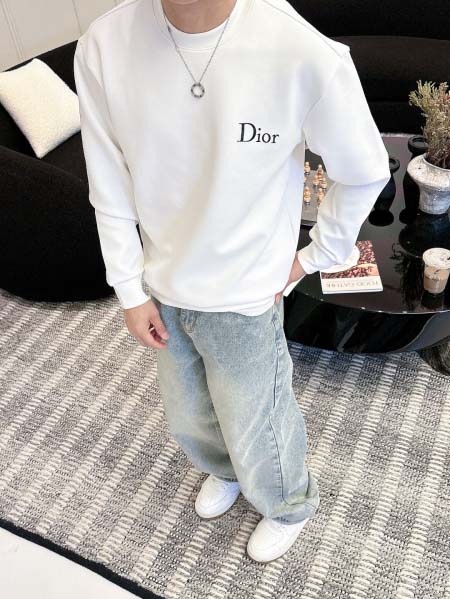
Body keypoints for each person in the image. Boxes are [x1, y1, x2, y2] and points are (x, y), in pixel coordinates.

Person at [73, 0, 391, 563]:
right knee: (188, 410)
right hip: (162, 283)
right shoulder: (104, 43)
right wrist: (128, 288)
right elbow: (108, 181)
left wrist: (315, 256)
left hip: (247, 292)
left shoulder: (299, 50)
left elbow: (364, 168)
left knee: (257, 417)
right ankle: (225, 470)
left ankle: (289, 504)